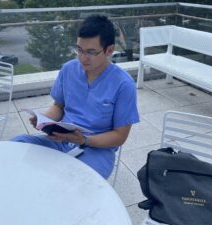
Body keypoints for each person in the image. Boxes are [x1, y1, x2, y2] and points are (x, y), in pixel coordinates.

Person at [11, 15, 139, 179]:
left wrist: (84, 140)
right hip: (61, 140)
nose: (82, 57)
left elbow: (119, 136)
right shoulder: (69, 69)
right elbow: (59, 106)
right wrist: (45, 120)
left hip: (95, 149)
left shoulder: (123, 85)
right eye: (79, 49)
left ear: (109, 50)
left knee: (76, 183)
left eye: (91, 52)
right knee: (17, 145)